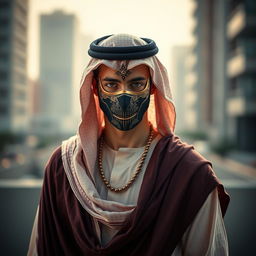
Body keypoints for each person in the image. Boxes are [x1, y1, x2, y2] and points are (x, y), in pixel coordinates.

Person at [28, 34, 230, 256]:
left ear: (153, 87)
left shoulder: (188, 173)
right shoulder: (63, 168)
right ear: (95, 88)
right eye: (111, 84)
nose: (123, 94)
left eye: (136, 83)